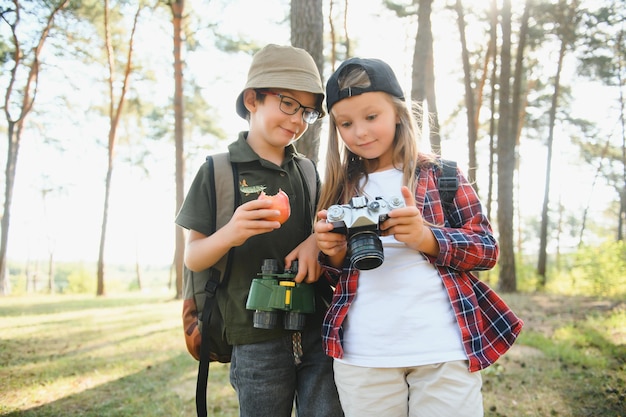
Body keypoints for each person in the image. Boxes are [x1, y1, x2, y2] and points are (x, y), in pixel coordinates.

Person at [314, 57, 524, 417]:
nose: (360, 132)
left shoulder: (442, 175)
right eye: (346, 123)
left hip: (442, 349)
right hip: (365, 355)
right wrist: (332, 253)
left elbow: (487, 250)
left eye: (371, 117)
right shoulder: (339, 189)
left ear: (397, 113)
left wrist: (428, 238)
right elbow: (338, 280)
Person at [176, 44, 343, 417]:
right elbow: (194, 256)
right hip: (254, 338)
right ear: (252, 99)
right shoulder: (219, 171)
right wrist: (232, 232)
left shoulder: (308, 173)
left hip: (315, 327)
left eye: (307, 111)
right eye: (287, 103)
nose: (297, 119)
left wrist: (316, 241)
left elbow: (322, 232)